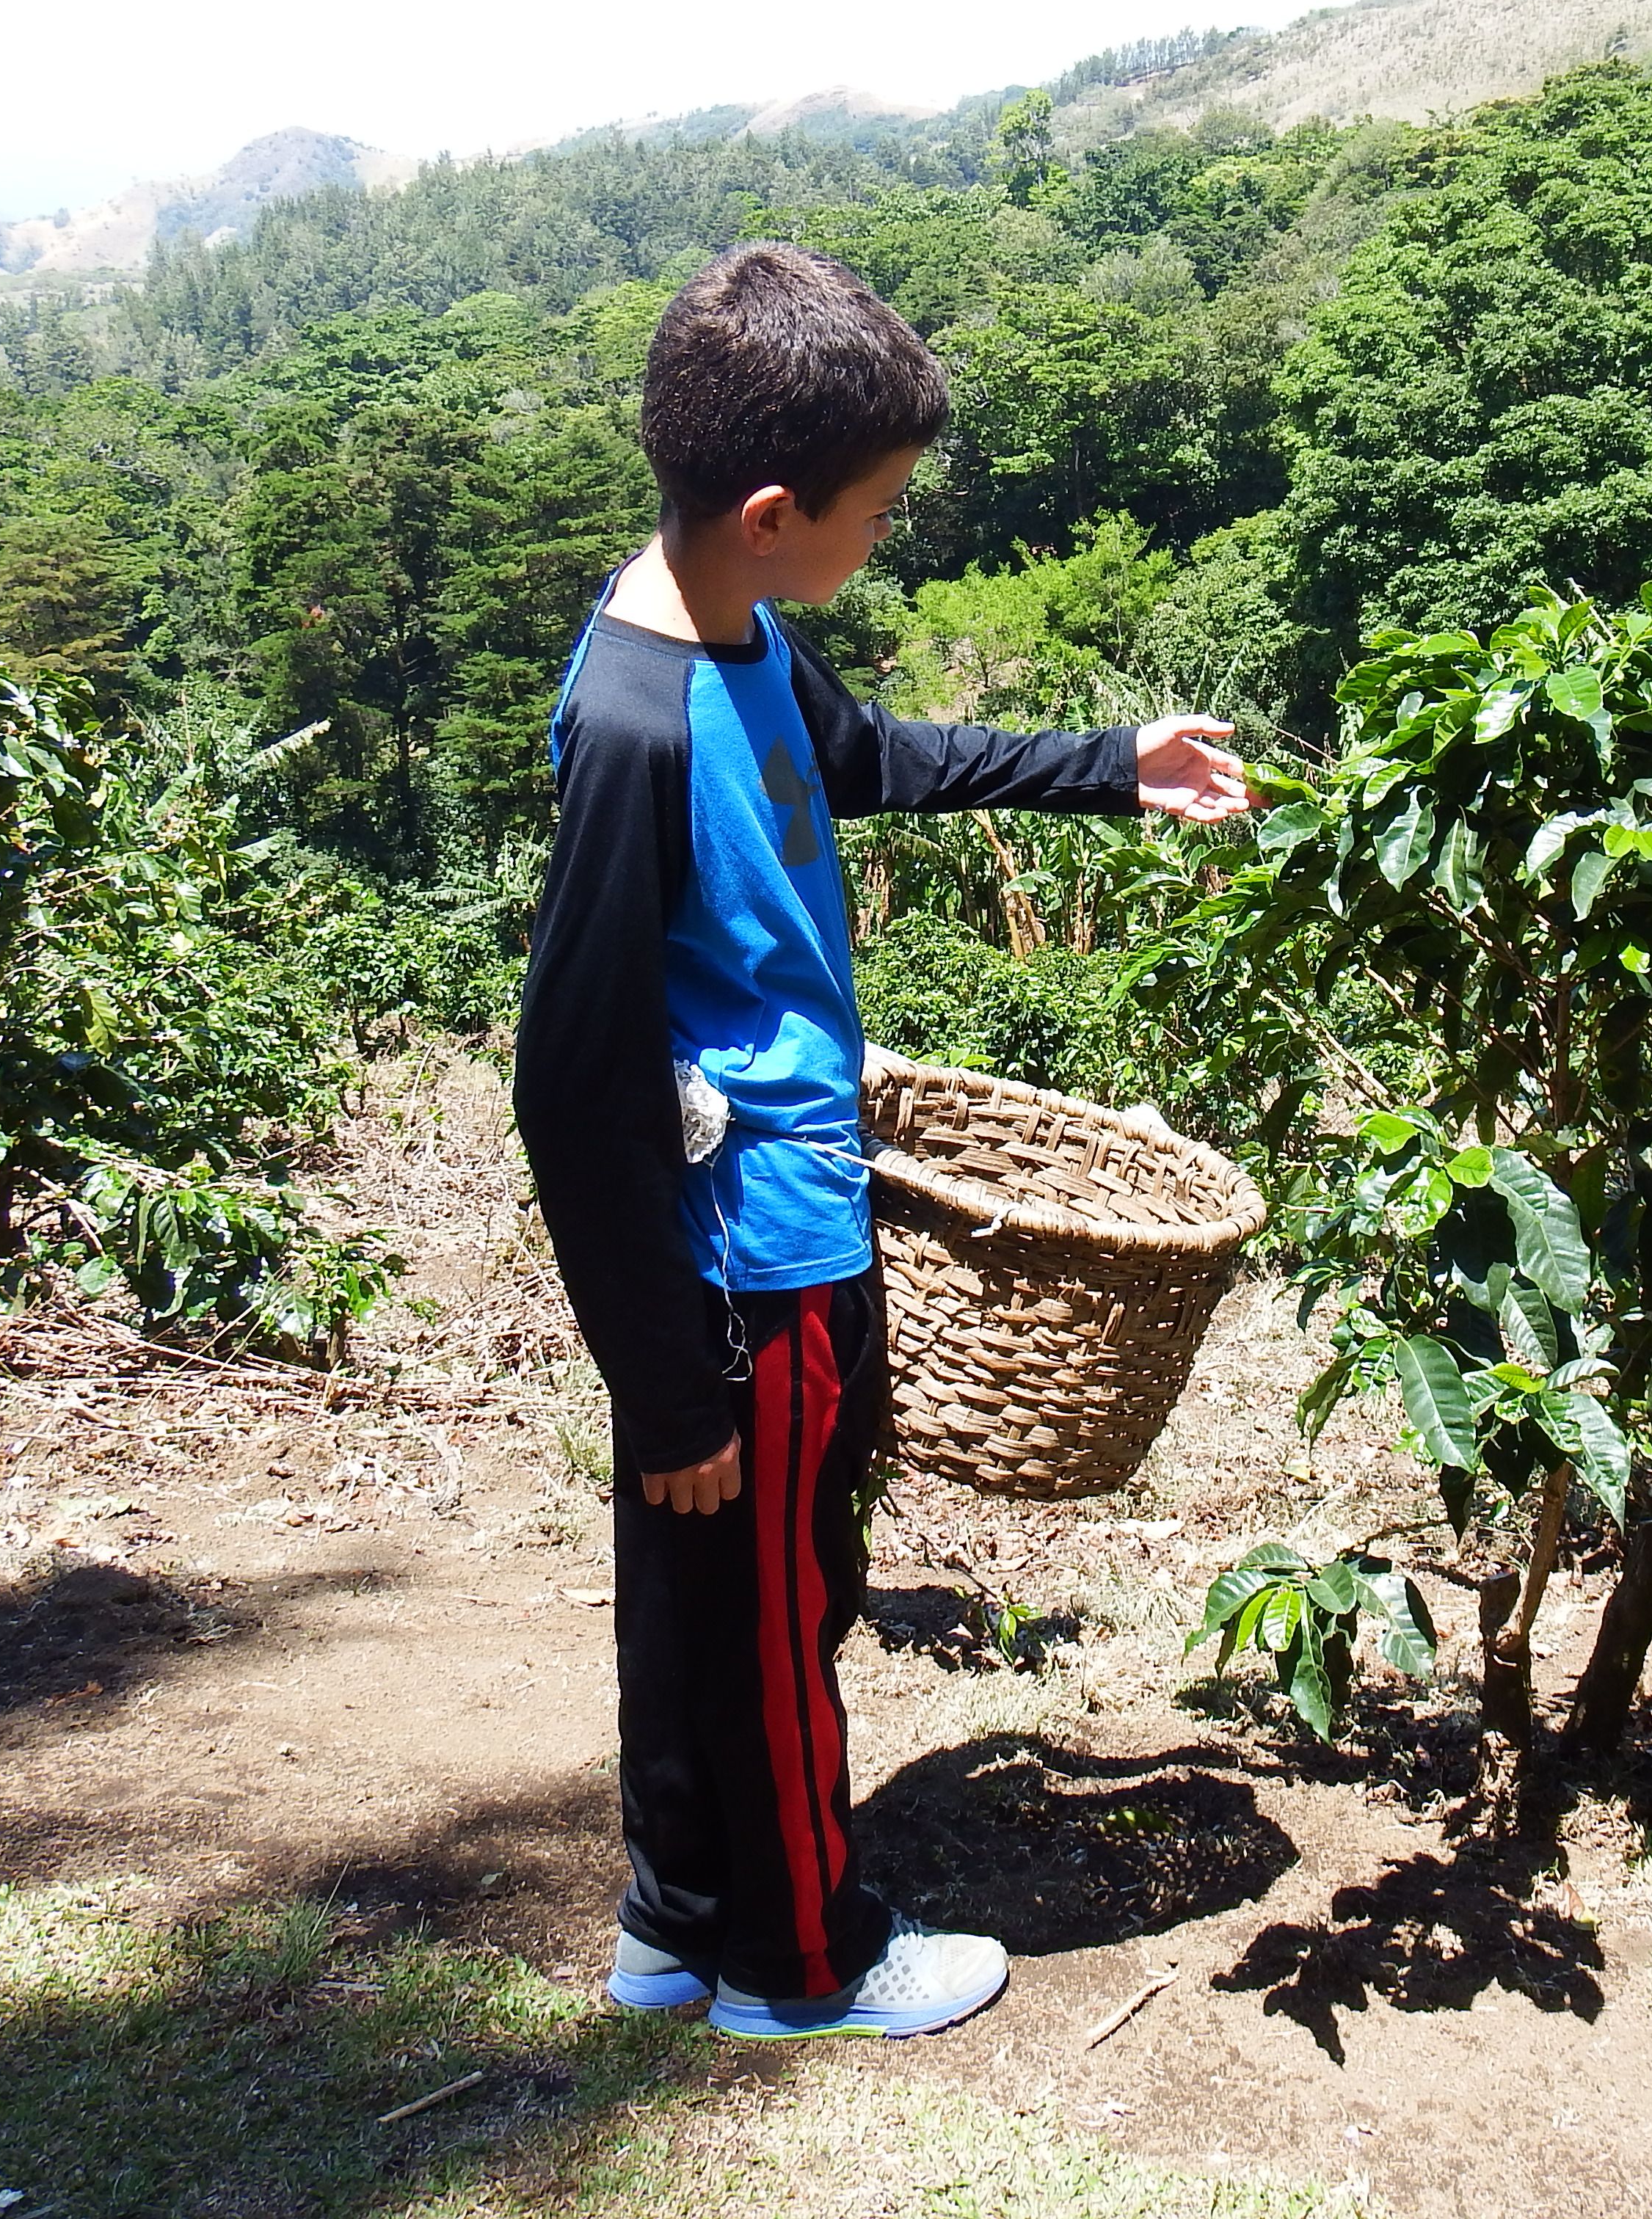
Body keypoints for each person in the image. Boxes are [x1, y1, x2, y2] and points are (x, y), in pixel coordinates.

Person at [511, 241, 1250, 2041]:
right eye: (881, 512)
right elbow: (568, 1070)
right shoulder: (637, 722)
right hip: (744, 1260)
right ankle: (802, 1957)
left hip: (764, 1230)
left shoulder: (731, 630)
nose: (885, 541)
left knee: (717, 1607)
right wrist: (671, 1382)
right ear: (774, 511)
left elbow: (874, 758)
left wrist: (1108, 764)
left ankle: (682, 1919)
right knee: (776, 1615)